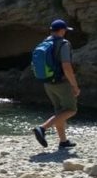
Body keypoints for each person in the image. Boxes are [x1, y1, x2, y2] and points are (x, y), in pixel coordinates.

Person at [33, 19, 79, 149]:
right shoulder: (63, 44)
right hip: (61, 82)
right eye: (65, 30)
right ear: (62, 30)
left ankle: (63, 141)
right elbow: (66, 66)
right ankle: (42, 128)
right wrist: (74, 85)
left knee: (60, 112)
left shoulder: (45, 42)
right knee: (71, 109)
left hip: (47, 82)